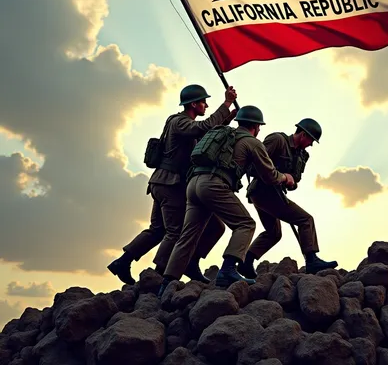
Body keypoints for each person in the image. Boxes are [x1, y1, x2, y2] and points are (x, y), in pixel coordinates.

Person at [107, 84, 238, 285]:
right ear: (193, 104)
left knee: (158, 229)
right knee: (175, 231)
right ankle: (161, 274)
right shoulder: (180, 122)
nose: (206, 105)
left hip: (163, 183)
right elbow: (202, 128)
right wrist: (226, 103)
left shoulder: (182, 124)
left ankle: (123, 262)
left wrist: (227, 116)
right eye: (203, 101)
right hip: (170, 184)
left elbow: (203, 134)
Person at [158, 105, 295, 296]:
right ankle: (228, 269)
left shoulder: (223, 133)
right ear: (256, 127)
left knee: (188, 235)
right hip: (214, 185)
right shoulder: (252, 142)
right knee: (245, 224)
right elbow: (270, 175)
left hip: (193, 184)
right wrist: (285, 177)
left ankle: (167, 282)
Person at [237, 118, 338, 279]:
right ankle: (311, 260)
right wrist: (279, 176)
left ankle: (246, 262)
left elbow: (295, 179)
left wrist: (291, 183)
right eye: (311, 140)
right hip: (263, 191)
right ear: (303, 134)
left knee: (274, 233)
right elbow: (253, 165)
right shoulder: (277, 140)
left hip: (273, 195)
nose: (311, 144)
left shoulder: (303, 155)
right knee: (305, 220)